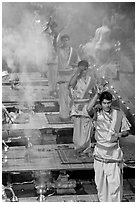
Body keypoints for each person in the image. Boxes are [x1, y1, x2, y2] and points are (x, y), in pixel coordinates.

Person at [86, 85, 131, 202]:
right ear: (101, 103)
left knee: (114, 186)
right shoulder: (98, 113)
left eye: (109, 103)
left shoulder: (119, 114)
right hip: (100, 155)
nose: (107, 105)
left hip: (113, 155)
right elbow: (88, 109)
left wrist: (120, 135)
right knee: (100, 186)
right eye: (105, 103)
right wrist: (97, 94)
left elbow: (127, 131)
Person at [68, 60, 95, 153]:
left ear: (87, 69)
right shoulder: (76, 79)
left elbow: (95, 93)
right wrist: (77, 73)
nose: (83, 71)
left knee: (86, 129)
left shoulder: (91, 80)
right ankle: (78, 148)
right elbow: (70, 85)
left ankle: (85, 149)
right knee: (77, 129)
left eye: (84, 69)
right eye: (81, 69)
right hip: (76, 107)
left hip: (86, 106)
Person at [57, 34, 79, 120]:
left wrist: (73, 66)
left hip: (71, 77)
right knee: (63, 98)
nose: (66, 42)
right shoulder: (59, 51)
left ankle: (72, 115)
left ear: (69, 41)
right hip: (62, 77)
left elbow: (78, 63)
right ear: (62, 41)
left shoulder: (74, 51)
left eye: (67, 40)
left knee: (71, 97)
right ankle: (64, 116)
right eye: (64, 40)